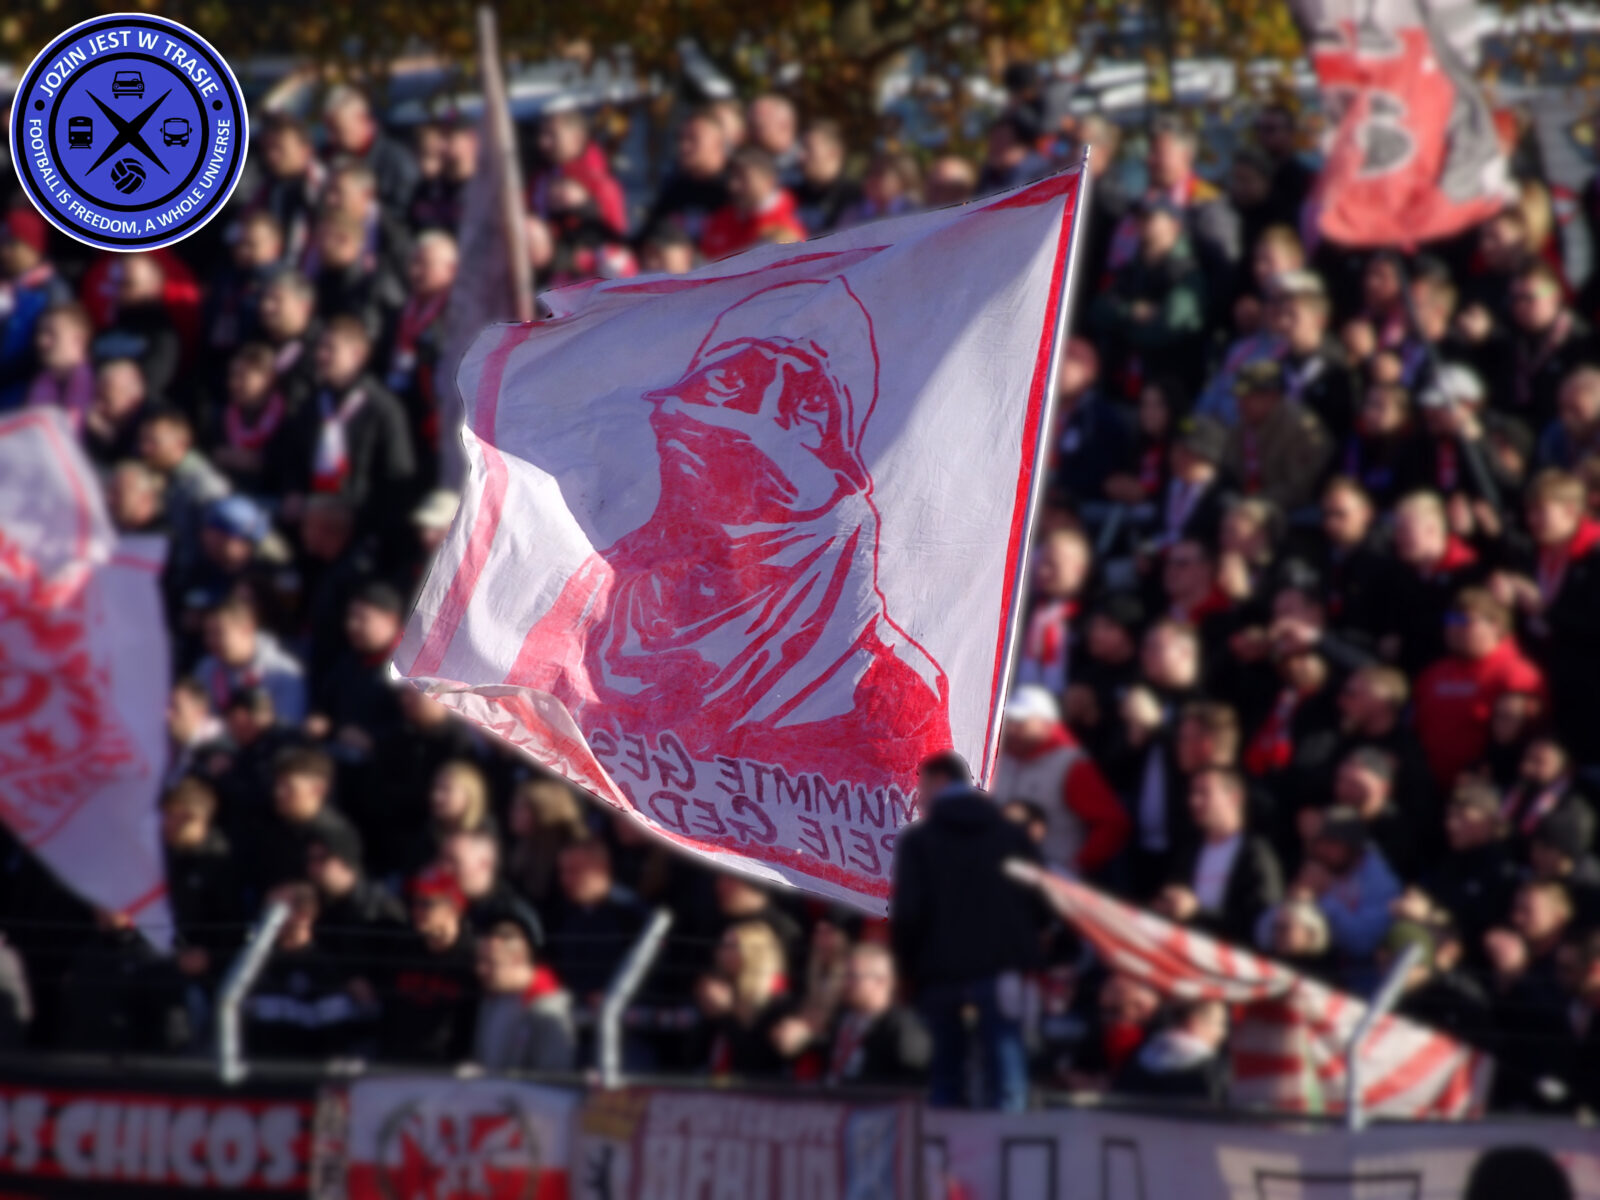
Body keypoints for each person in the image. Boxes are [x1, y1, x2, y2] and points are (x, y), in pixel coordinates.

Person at [891, 752, 1042, 1110]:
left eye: (922, 785)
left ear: (940, 780)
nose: (919, 795)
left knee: (945, 1077)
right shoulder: (1012, 836)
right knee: (1007, 1074)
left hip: (941, 974)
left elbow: (909, 915)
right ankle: (1011, 1158)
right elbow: (1040, 898)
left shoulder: (920, 842)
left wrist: (907, 972)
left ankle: (947, 1160)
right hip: (1001, 970)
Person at [992, 685, 1129, 878]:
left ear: (1046, 724)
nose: (1013, 729)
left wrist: (1075, 866)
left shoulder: (1070, 764)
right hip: (998, 870)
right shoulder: (1000, 758)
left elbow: (1112, 823)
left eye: (1021, 722)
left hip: (1049, 877)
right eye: (1011, 721)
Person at [1155, 767, 1282, 945]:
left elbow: (1261, 922)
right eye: (1192, 793)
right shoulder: (1189, 850)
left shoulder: (1255, 853)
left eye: (1204, 793)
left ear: (1234, 797)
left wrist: (1197, 912)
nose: (1194, 801)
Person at [379, 865, 478, 1065]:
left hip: (449, 1071)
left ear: (454, 906)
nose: (416, 910)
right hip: (400, 1065)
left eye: (426, 903)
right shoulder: (403, 949)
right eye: (414, 902)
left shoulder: (473, 958)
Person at [471, 901, 576, 1072]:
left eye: (490, 962)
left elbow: (551, 1080)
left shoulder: (548, 1010)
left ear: (517, 959)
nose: (480, 970)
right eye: (479, 961)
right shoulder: (492, 997)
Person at [1223, 359, 1333, 512]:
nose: (1240, 403)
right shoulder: (1242, 425)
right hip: (1249, 507)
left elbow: (1297, 489)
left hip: (1290, 513)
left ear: (1271, 397)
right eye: (1240, 397)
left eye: (1249, 397)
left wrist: (1252, 504)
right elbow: (1230, 470)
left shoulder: (1300, 427)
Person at [322, 85, 420, 217]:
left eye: (338, 130)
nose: (331, 138)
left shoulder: (397, 162)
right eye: (328, 129)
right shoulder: (327, 158)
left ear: (362, 120)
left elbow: (402, 220)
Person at [698, 146, 806, 261]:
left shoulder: (786, 228)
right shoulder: (722, 219)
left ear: (769, 181)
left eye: (743, 178)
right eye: (732, 177)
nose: (733, 186)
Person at [1112, 999, 1228, 1103]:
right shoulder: (1211, 1069)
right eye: (1218, 1024)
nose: (1222, 1033)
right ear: (1193, 1023)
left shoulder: (1139, 1055)